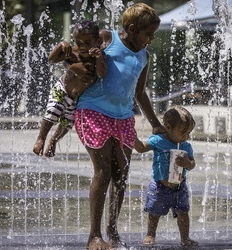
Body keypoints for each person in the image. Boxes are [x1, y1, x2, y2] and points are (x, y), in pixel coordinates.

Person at [73, 3, 165, 249]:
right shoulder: (106, 38)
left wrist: (155, 124)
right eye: (148, 34)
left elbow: (140, 93)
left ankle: (112, 231)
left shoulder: (144, 56)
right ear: (132, 29)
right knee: (103, 172)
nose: (151, 39)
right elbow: (77, 53)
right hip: (93, 111)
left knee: (121, 175)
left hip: (123, 118)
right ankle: (94, 236)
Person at [33, 20, 107, 157]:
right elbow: (51, 60)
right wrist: (61, 45)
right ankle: (41, 138)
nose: (83, 47)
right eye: (79, 43)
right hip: (62, 89)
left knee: (67, 122)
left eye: (88, 43)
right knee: (53, 111)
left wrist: (98, 58)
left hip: (77, 98)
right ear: (74, 40)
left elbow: (102, 74)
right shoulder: (72, 52)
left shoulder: (99, 55)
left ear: (97, 41)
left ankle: (54, 140)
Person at [134, 106, 198, 247]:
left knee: (183, 213)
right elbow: (140, 148)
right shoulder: (158, 140)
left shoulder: (186, 146)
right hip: (159, 186)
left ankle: (185, 238)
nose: (186, 137)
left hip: (180, 186)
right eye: (183, 132)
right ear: (168, 127)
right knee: (154, 213)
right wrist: (131, 136)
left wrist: (188, 163)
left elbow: (192, 164)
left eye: (188, 133)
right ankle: (150, 234)